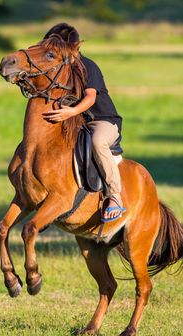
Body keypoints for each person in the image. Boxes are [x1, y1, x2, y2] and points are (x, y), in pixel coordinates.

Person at [43, 23, 126, 222]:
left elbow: (89, 98)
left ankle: (114, 196)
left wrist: (71, 112)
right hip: (76, 123)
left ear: (75, 48)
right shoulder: (57, 69)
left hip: (102, 121)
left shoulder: (88, 66)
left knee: (98, 142)